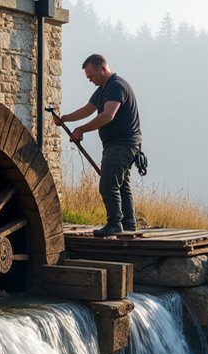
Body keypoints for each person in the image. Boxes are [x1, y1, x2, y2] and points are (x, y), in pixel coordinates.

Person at [53, 54, 142, 236]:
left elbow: (108, 115)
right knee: (121, 184)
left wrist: (81, 129)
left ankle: (114, 224)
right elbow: (88, 109)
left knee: (108, 185)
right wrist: (65, 118)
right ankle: (129, 224)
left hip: (122, 145)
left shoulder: (116, 86)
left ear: (102, 69)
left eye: (91, 76)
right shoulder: (103, 89)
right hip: (121, 144)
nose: (90, 80)